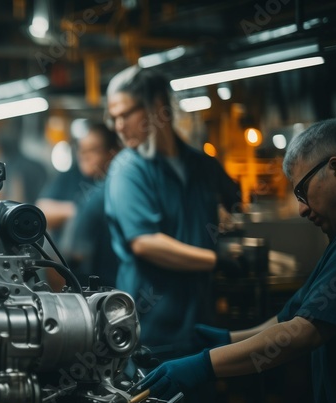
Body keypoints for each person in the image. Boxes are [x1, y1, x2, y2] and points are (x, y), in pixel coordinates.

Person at [137, 118, 336, 403]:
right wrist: (226, 341)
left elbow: (303, 334)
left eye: (302, 190)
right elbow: (289, 320)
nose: (301, 208)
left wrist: (204, 365)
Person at [104, 66, 242, 361]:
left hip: (200, 320)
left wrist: (232, 235)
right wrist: (217, 260)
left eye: (125, 114)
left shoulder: (202, 164)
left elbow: (236, 204)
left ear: (156, 107)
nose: (117, 125)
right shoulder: (129, 170)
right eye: (113, 117)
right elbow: (145, 242)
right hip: (152, 327)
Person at [57, 122, 121, 286]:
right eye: (82, 150)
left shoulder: (100, 194)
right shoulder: (83, 182)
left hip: (103, 284)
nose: (85, 156)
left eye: (93, 150)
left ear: (111, 153)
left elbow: (76, 253)